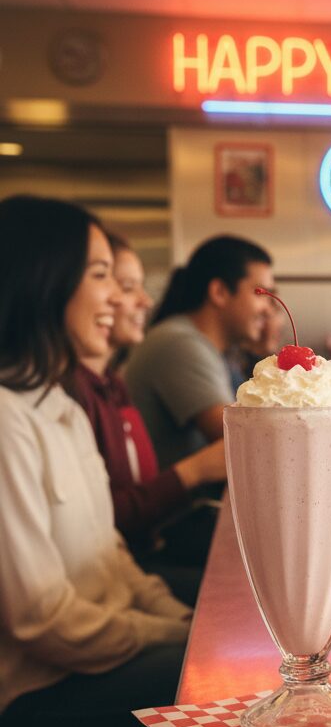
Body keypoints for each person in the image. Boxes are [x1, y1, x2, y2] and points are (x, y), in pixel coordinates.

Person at [0, 196, 192, 727]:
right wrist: (169, 636)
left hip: (100, 657)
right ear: (42, 280)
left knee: (232, 650)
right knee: (239, 678)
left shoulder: (60, 406)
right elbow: (43, 620)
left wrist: (177, 617)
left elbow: (111, 554)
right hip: (39, 695)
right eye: (101, 275)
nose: (120, 298)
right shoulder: (7, 420)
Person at [66, 233, 226, 569]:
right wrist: (196, 470)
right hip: (138, 561)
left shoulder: (110, 384)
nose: (145, 301)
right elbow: (108, 522)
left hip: (138, 562)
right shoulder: (73, 392)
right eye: (126, 287)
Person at [125, 234, 273, 471]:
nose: (268, 309)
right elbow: (240, 440)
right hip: (178, 506)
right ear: (219, 292)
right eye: (261, 294)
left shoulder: (216, 350)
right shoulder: (179, 343)